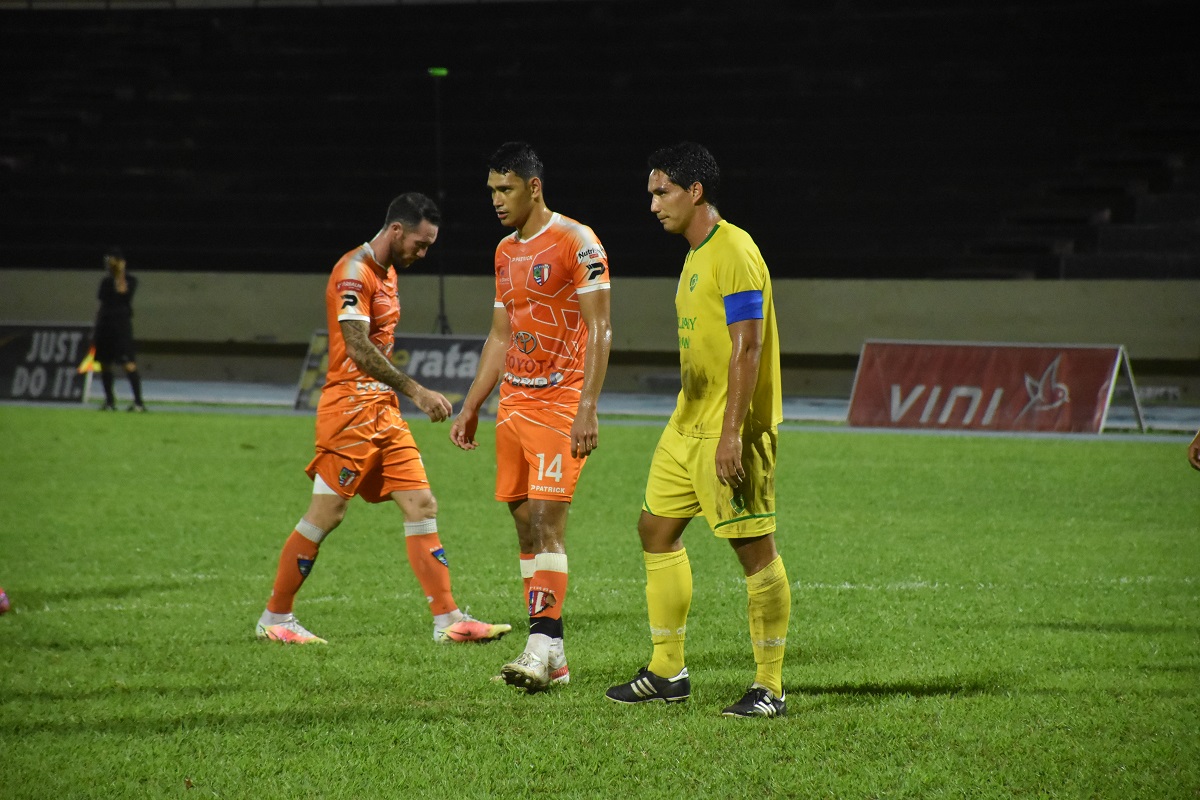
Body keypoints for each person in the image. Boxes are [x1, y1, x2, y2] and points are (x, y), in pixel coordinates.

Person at [255, 193, 511, 646]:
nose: (423, 253)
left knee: (422, 504)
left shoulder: (389, 271)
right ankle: (275, 616)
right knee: (326, 514)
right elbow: (356, 346)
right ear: (397, 231)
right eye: (420, 243)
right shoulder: (353, 272)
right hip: (349, 412)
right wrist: (415, 389)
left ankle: (447, 618)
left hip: (383, 413)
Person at [605, 142, 790, 718]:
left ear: (695, 192)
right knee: (655, 529)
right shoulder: (694, 255)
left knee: (752, 548)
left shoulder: (734, 249)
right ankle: (667, 670)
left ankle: (770, 686)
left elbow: (748, 345)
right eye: (651, 193)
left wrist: (732, 433)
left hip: (728, 428)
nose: (653, 204)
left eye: (662, 193)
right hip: (687, 422)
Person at [450, 142, 612, 692]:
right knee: (524, 525)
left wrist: (587, 406)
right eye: (491, 190)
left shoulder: (577, 241)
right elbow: (501, 333)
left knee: (548, 522)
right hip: (515, 403)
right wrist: (473, 404)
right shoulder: (503, 250)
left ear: (534, 186)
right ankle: (556, 659)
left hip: (561, 401)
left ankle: (538, 646)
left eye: (506, 189)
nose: (496, 200)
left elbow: (601, 329)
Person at [92, 248, 147, 412]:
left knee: (128, 363)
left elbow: (123, 294)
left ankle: (138, 403)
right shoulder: (105, 282)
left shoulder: (130, 280)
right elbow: (103, 299)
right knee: (105, 363)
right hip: (105, 325)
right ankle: (110, 402)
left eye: (112, 260)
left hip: (121, 326)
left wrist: (120, 273)